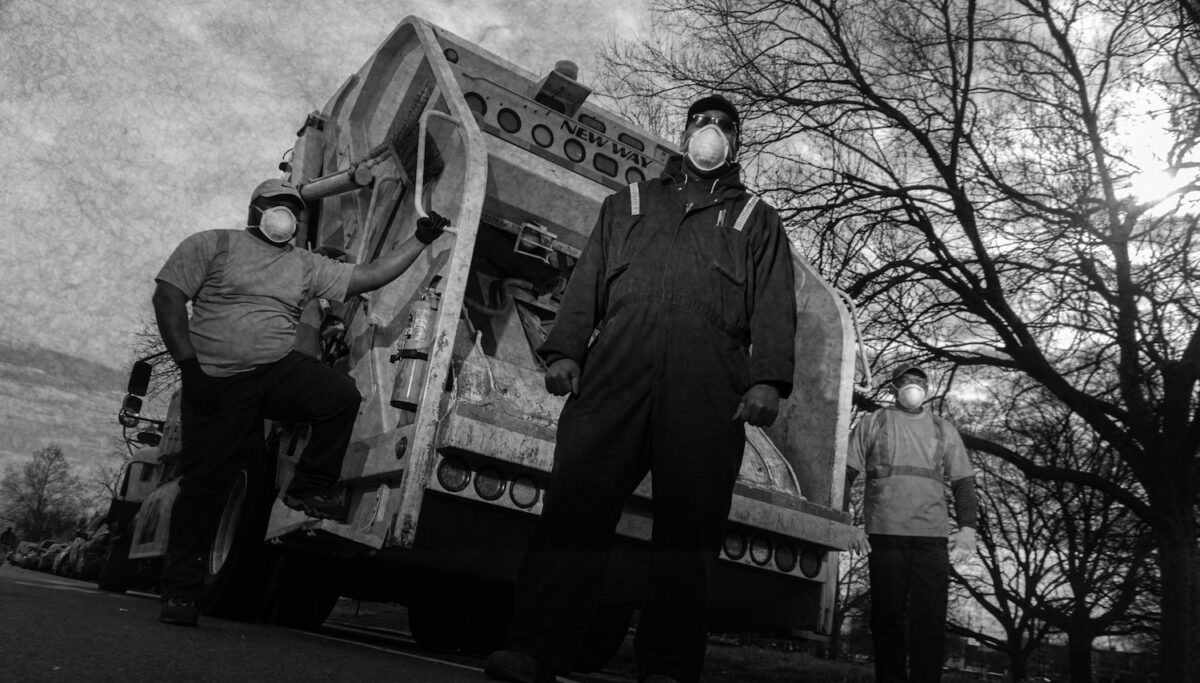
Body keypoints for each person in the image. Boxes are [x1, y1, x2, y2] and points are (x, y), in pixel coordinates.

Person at [485, 95, 797, 683]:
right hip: (617, 369)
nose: (712, 132)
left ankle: (670, 669)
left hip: (708, 381)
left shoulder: (758, 218)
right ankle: (532, 650)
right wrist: (565, 350)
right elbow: (587, 282)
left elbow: (776, 304)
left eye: (725, 125)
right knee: (574, 510)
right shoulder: (627, 202)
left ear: (737, 143)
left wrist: (769, 380)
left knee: (690, 531)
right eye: (702, 122)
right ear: (683, 133)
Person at [152, 177, 448, 627]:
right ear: (255, 209)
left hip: (273, 370)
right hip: (213, 381)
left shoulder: (304, 265)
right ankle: (179, 593)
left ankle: (308, 486)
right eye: (276, 205)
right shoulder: (213, 245)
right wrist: (189, 367)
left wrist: (419, 240)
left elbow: (368, 275)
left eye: (293, 208)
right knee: (205, 488)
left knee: (339, 396)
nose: (285, 214)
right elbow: (168, 297)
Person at [844, 364, 978, 683]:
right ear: (893, 388)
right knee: (886, 619)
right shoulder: (872, 422)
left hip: (931, 539)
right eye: (906, 381)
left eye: (920, 381)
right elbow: (845, 475)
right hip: (885, 535)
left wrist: (968, 530)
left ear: (927, 389)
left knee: (930, 621)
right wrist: (846, 522)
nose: (913, 387)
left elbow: (963, 483)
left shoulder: (943, 429)